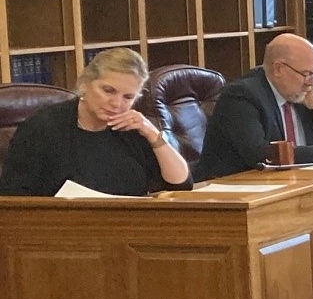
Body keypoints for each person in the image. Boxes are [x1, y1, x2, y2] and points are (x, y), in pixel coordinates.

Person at [0, 47, 191, 196]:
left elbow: (181, 184)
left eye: (128, 97)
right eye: (108, 91)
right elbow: (15, 197)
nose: (116, 103)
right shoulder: (43, 129)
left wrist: (152, 134)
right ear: (86, 83)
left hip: (127, 230)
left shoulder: (132, 129)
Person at [194, 33, 313, 180]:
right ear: (278, 69)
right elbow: (260, 155)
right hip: (234, 192)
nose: (311, 82)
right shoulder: (241, 96)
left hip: (296, 182)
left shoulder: (300, 95)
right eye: (306, 74)